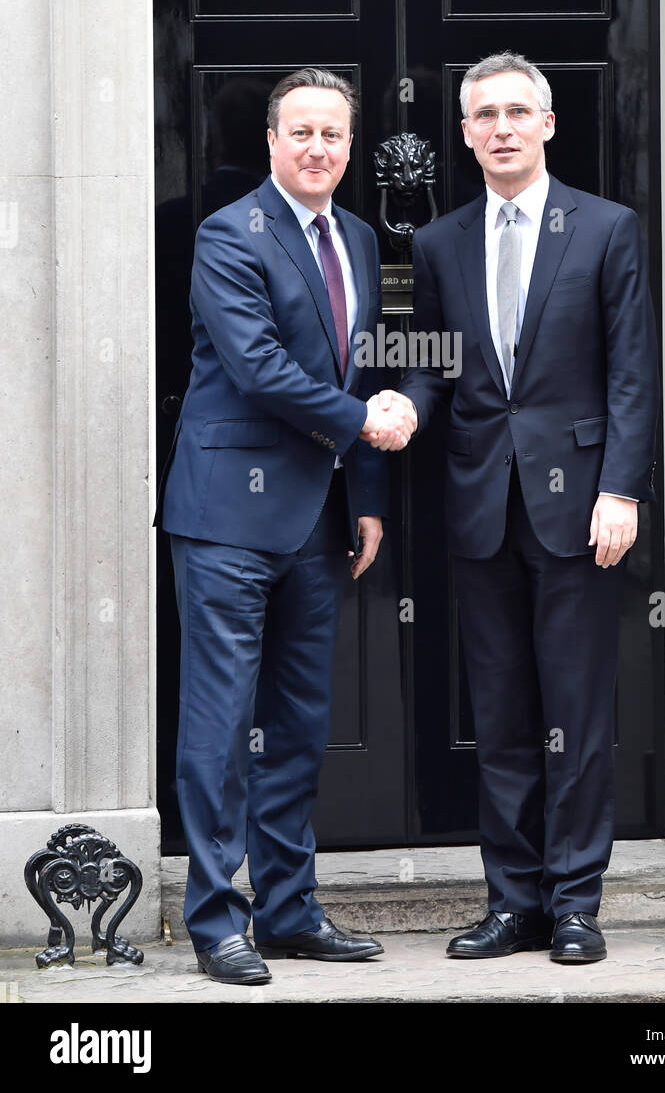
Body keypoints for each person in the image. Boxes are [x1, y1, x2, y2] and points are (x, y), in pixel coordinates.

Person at [382, 50, 660, 963]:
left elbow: (630, 375)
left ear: (546, 124)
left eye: (515, 112)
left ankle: (575, 902)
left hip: (581, 508)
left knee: (574, 713)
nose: (500, 127)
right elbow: (431, 364)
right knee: (499, 713)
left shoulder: (607, 229)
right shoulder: (439, 242)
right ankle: (514, 903)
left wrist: (620, 488)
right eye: (483, 115)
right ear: (463, 134)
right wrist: (400, 409)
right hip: (478, 506)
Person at [154, 67, 415, 984]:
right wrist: (363, 424)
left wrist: (371, 490)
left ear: (350, 149)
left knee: (299, 724)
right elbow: (260, 369)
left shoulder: (355, 236)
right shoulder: (230, 235)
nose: (316, 148)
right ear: (271, 142)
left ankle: (291, 910)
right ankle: (217, 920)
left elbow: (371, 369)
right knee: (221, 727)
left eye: (332, 135)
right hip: (228, 517)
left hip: (322, 518)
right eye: (299, 132)